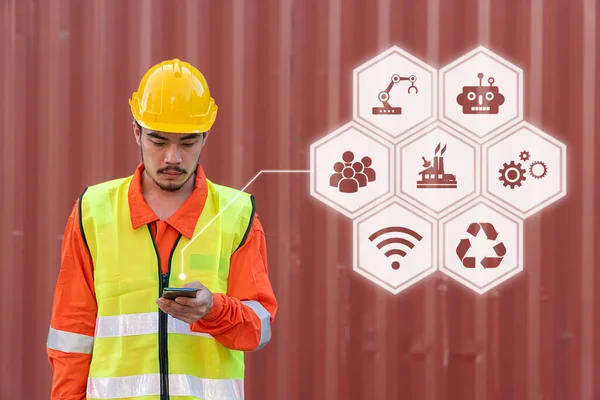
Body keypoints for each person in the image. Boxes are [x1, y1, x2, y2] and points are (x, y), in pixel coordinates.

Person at [46, 58, 278, 399]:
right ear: (136, 131)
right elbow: (72, 335)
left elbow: (257, 331)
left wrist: (212, 310)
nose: (173, 158)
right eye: (158, 141)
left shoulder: (236, 215)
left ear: (205, 137)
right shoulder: (93, 212)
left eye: (187, 143)